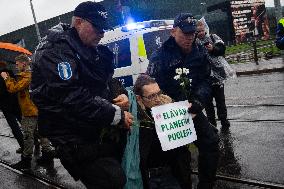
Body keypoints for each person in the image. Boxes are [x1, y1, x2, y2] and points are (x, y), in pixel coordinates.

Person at [30, 1, 133, 188]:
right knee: (111, 180)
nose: (102, 33)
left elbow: (106, 80)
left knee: (117, 174)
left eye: (104, 29)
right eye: (97, 28)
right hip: (73, 136)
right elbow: (70, 94)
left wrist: (120, 94)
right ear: (78, 22)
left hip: (96, 128)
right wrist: (115, 114)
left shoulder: (87, 46)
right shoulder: (55, 49)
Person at [146, 13, 219, 189]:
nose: (189, 38)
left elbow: (206, 80)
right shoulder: (160, 56)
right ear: (173, 32)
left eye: (192, 33)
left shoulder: (199, 51)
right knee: (178, 157)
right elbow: (152, 87)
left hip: (192, 109)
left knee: (211, 141)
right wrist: (169, 104)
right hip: (171, 113)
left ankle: (206, 185)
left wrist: (199, 101)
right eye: (185, 33)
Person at [0, 54, 55, 170]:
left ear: (24, 63)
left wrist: (6, 78)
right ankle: (48, 155)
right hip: (33, 109)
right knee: (40, 134)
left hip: (29, 111)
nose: (16, 66)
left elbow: (13, 88)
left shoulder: (27, 76)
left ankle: (26, 161)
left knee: (27, 136)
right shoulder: (27, 75)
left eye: (17, 64)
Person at [196, 20, 230, 129]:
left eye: (202, 30)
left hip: (218, 75)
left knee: (220, 100)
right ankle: (212, 123)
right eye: (198, 31)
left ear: (205, 29)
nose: (201, 33)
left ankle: (224, 120)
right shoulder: (194, 42)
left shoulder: (213, 37)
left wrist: (213, 48)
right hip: (204, 78)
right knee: (208, 103)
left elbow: (222, 49)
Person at [0, 61, 24, 152]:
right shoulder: (10, 72)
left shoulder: (2, 76)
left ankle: (23, 146)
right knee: (24, 123)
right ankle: (35, 141)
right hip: (15, 102)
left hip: (6, 105)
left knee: (14, 127)